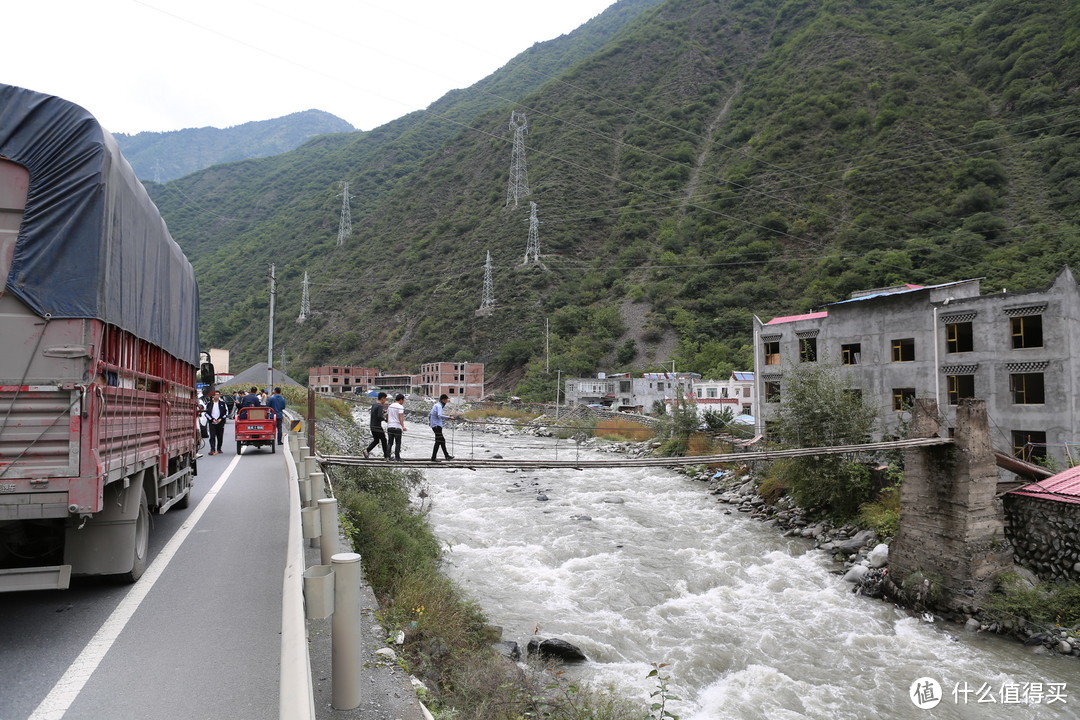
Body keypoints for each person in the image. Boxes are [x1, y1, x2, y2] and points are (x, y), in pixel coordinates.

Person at [429, 394, 454, 461]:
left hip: (434, 425)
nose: (446, 402)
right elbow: (439, 415)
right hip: (437, 426)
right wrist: (449, 417)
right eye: (446, 400)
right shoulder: (439, 406)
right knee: (439, 441)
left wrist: (431, 423)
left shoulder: (436, 405)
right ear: (443, 400)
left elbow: (430, 415)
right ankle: (434, 458)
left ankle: (446, 456)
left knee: (441, 441)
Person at [203, 389, 229, 455]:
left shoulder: (223, 403)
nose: (216, 396)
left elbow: (226, 412)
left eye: (218, 395)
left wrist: (221, 418)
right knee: (212, 436)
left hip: (220, 422)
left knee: (220, 436)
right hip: (212, 422)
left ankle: (219, 448)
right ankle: (212, 449)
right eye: (215, 395)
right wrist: (212, 419)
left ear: (219, 395)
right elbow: (206, 413)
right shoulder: (209, 403)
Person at [364, 392, 389, 459]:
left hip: (372, 425)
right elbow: (379, 416)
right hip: (377, 426)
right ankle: (386, 456)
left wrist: (383, 412)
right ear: (382, 398)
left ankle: (367, 450)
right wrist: (385, 420)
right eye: (385, 399)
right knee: (384, 440)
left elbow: (375, 413)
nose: (385, 401)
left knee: (376, 440)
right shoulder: (380, 405)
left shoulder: (374, 404)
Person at [386, 393, 407, 461]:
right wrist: (403, 426)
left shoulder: (390, 406)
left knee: (390, 442)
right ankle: (397, 457)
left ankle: (387, 456)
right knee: (398, 443)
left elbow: (387, 416)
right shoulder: (400, 407)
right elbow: (400, 417)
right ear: (400, 400)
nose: (403, 402)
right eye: (403, 400)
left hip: (390, 426)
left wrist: (388, 422)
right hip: (397, 427)